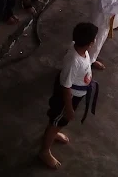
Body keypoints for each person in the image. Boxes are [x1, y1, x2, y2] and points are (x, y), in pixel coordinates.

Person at [39, 22, 99, 170]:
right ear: (91, 43)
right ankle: (44, 151)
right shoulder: (74, 61)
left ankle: (54, 132)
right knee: (57, 121)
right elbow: (66, 87)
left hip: (74, 96)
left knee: (58, 121)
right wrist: (69, 108)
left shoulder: (79, 48)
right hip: (67, 98)